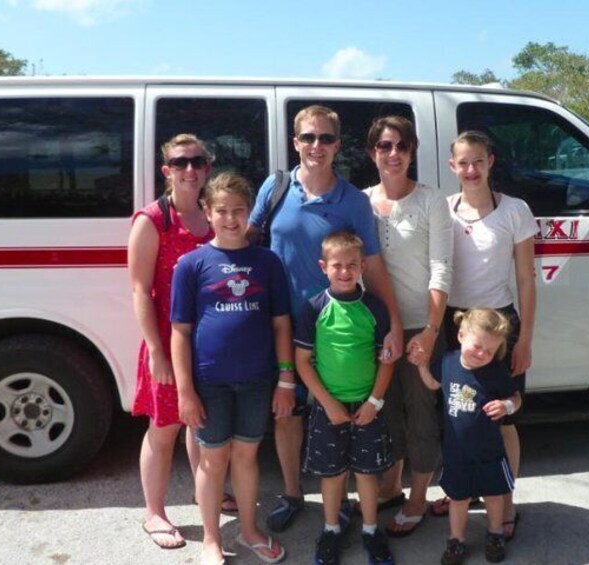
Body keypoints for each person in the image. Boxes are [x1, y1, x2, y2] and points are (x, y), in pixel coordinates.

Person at [246, 105, 403, 533]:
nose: (317, 146)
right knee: (288, 411)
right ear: (296, 142)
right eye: (309, 138)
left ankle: (344, 502)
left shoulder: (353, 201)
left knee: (343, 409)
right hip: (280, 325)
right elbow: (245, 239)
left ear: (338, 145)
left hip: (336, 327)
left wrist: (392, 320)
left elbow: (371, 264)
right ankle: (294, 493)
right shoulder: (274, 188)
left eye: (326, 138)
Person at [170, 172, 293, 565]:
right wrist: (185, 391)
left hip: (258, 380)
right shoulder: (191, 265)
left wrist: (286, 378)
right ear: (207, 211)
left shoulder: (266, 262)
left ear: (248, 213)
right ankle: (210, 538)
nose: (230, 218)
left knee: (246, 456)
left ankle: (250, 530)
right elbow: (180, 332)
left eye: (238, 211)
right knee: (213, 459)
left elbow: (280, 324)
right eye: (221, 210)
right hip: (209, 382)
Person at [430, 131, 537, 543]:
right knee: (458, 416)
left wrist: (524, 339)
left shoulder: (515, 211)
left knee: (503, 417)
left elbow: (526, 280)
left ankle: (505, 502)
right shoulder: (442, 210)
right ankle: (460, 487)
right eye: (463, 162)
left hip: (499, 327)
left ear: (490, 162)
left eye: (479, 161)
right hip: (455, 324)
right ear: (452, 166)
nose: (471, 170)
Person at [362, 116, 453, 537]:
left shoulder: (432, 201)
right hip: (376, 328)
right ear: (372, 152)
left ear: (412, 151)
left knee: (420, 413)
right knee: (386, 410)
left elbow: (440, 268)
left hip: (421, 325)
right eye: (384, 146)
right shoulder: (360, 202)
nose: (393, 154)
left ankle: (419, 495)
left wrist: (431, 330)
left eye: (401, 146)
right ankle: (391, 485)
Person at [128, 133, 219, 550]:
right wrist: (157, 354)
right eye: (181, 163)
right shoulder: (153, 221)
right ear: (167, 170)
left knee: (201, 426)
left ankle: (207, 494)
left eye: (197, 162)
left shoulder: (213, 216)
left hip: (211, 343)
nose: (189, 170)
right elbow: (139, 290)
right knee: (163, 428)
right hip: (168, 343)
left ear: (207, 167)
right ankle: (154, 512)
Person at [295, 231, 396, 565]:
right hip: (329, 409)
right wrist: (327, 403)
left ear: (363, 266)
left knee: (367, 474)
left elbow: (386, 360)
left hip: (368, 407)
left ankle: (370, 530)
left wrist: (374, 403)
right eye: (337, 265)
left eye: (352, 265)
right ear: (324, 267)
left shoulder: (375, 309)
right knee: (333, 473)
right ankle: (331, 529)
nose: (344, 271)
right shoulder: (314, 309)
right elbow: (302, 362)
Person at [414, 308, 522, 564]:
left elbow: (516, 397)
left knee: (494, 495)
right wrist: (421, 365)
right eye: (477, 346)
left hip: (490, 452)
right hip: (456, 453)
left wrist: (506, 406)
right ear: (461, 335)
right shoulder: (448, 361)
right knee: (458, 498)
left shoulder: (495, 372)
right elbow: (433, 384)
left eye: (490, 350)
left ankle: (495, 534)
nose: (483, 354)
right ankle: (456, 540)